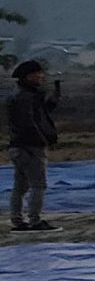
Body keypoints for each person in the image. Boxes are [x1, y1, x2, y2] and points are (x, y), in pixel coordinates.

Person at [9, 59, 59, 232]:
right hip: (30, 147)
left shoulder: (26, 96)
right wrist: (43, 140)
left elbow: (40, 114)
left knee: (20, 186)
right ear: (28, 76)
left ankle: (17, 221)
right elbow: (29, 122)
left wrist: (53, 100)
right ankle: (34, 221)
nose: (41, 77)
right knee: (38, 184)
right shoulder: (25, 97)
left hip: (19, 146)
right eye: (37, 74)